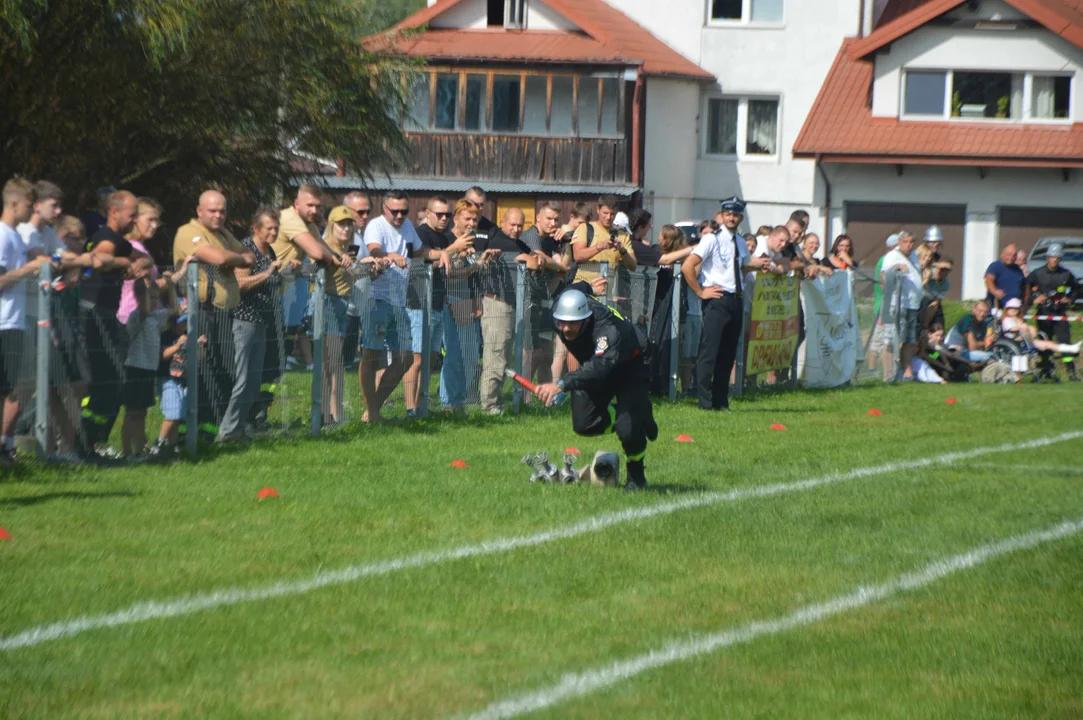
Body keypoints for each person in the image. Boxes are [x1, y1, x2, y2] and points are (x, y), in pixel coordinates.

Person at [534, 284, 658, 492]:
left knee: (628, 428)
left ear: (585, 318)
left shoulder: (606, 330)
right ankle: (634, 415)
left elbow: (601, 367)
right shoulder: (562, 306)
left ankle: (636, 477)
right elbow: (577, 286)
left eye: (572, 324)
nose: (565, 328)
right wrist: (591, 286)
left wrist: (562, 384)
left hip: (632, 364)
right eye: (561, 322)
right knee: (583, 424)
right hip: (596, 363)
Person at [173, 190, 254, 443]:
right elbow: (217, 257)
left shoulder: (222, 234)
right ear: (199, 211)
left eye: (222, 211)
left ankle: (208, 434)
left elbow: (251, 256)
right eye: (212, 211)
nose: (218, 215)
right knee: (204, 374)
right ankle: (191, 435)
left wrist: (234, 259)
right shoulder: (188, 232)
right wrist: (233, 259)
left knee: (225, 373)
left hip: (225, 311)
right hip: (201, 311)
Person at [362, 190, 450, 422]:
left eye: (404, 211)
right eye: (395, 211)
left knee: (405, 358)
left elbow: (421, 252)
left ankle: (372, 410)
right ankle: (371, 412)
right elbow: (374, 250)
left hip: (399, 302)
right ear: (384, 208)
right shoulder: (376, 226)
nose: (400, 216)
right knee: (371, 356)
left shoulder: (409, 227)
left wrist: (443, 254)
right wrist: (390, 255)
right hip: (377, 299)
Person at [80, 190, 154, 458]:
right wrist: (126, 263)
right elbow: (100, 259)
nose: (134, 221)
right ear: (114, 211)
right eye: (131, 215)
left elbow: (145, 258)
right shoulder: (105, 238)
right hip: (96, 314)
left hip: (108, 316)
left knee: (113, 382)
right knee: (105, 382)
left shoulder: (119, 240)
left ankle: (93, 442)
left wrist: (138, 264)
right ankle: (87, 440)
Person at [683, 197, 769, 411]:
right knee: (709, 352)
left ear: (740, 217)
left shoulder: (740, 241)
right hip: (717, 299)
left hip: (735, 299)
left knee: (728, 354)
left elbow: (739, 268)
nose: (731, 218)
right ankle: (704, 401)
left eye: (736, 214)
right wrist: (700, 291)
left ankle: (721, 401)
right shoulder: (711, 239)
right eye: (728, 214)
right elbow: (688, 266)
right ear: (722, 215)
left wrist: (754, 266)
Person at [0, 179, 54, 462]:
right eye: (26, 205)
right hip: (4, 322)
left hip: (15, 322)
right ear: (12, 204)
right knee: (9, 387)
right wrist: (28, 269)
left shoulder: (17, 236)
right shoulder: (2, 236)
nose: (29, 210)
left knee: (13, 386)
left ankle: (5, 443)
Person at [275, 185, 351, 370]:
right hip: (263, 288)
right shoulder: (289, 219)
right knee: (263, 359)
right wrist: (333, 257)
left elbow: (327, 250)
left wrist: (340, 257)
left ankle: (265, 395)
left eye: (318, 206)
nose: (314, 210)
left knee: (273, 363)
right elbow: (317, 252)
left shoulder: (309, 225)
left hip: (279, 289)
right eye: (310, 205)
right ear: (297, 203)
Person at [477, 207, 540, 415]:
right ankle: (489, 405)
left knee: (502, 355)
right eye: (512, 224)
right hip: (497, 304)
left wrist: (540, 259)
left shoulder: (518, 243)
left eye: (520, 225)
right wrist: (539, 259)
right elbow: (533, 262)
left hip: (509, 305)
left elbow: (538, 258)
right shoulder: (499, 242)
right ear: (502, 223)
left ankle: (495, 403)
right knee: (495, 355)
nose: (516, 229)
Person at [230, 207, 286, 435]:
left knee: (254, 382)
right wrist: (268, 273)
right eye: (269, 228)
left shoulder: (269, 251)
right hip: (244, 320)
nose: (274, 232)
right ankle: (229, 429)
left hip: (263, 321)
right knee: (242, 380)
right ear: (256, 228)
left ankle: (243, 426)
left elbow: (273, 283)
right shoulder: (247, 250)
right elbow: (240, 284)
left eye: (276, 228)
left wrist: (284, 272)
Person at [122, 277, 175, 460]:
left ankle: (139, 449)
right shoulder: (137, 316)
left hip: (149, 370)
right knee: (132, 412)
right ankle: (128, 451)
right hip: (135, 368)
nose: (153, 302)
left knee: (142, 412)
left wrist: (171, 287)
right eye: (150, 297)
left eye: (155, 298)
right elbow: (144, 309)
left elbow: (174, 310)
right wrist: (143, 289)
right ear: (139, 297)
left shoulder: (155, 317)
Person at [1026, 242, 1079, 382]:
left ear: (1060, 259)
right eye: (1051, 257)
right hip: (1043, 313)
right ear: (1047, 257)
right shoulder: (1037, 273)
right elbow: (1025, 288)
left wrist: (1069, 299)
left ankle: (1071, 373)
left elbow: (1077, 289)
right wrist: (1034, 298)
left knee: (1065, 343)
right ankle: (1045, 370)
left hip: (1060, 314)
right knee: (1045, 342)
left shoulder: (1066, 274)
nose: (1054, 259)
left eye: (1057, 257)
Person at [880, 230, 923, 381]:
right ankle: (887, 374)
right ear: (899, 242)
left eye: (911, 242)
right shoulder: (892, 256)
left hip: (913, 304)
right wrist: (896, 268)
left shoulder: (913, 256)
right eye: (905, 242)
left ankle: (907, 372)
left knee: (909, 340)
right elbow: (883, 278)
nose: (909, 245)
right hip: (897, 304)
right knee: (891, 339)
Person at [570, 195, 636, 284]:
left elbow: (633, 266)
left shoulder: (622, 235)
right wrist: (600, 246)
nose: (608, 217)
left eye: (612, 214)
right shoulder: (585, 228)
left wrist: (622, 250)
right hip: (585, 289)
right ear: (598, 210)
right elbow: (578, 256)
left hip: (609, 291)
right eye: (605, 213)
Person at [117, 197, 163, 324]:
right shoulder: (133, 248)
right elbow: (145, 286)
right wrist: (174, 278)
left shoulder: (137, 246)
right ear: (135, 219)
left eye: (157, 221)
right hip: (133, 317)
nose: (154, 225)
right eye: (150, 220)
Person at [342, 191, 372, 368]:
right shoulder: (346, 236)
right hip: (345, 308)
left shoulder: (358, 235)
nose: (366, 216)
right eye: (361, 212)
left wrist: (372, 267)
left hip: (355, 308)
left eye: (368, 211)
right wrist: (367, 266)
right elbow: (346, 270)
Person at [867, 233, 900, 379]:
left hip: (887, 308)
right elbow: (883, 285)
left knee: (887, 340)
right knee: (878, 341)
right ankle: (872, 371)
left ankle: (886, 372)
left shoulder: (889, 259)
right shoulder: (886, 260)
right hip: (883, 308)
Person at [1001, 298, 1081, 355]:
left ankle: (1071, 348)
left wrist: (1028, 328)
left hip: (1026, 340)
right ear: (1007, 309)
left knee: (1049, 343)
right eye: (1011, 308)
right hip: (1015, 340)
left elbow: (1030, 329)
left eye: (1016, 308)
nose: (1013, 310)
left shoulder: (1018, 319)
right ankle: (1071, 348)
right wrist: (1023, 326)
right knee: (1025, 327)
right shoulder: (1007, 319)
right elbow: (1011, 329)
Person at [984, 243, 1027, 310]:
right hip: (998, 307)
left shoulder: (1017, 269)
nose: (1010, 258)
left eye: (1013, 255)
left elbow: (1024, 285)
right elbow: (989, 279)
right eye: (1008, 255)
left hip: (1014, 308)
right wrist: (994, 291)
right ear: (1002, 255)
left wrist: (1025, 301)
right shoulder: (995, 266)